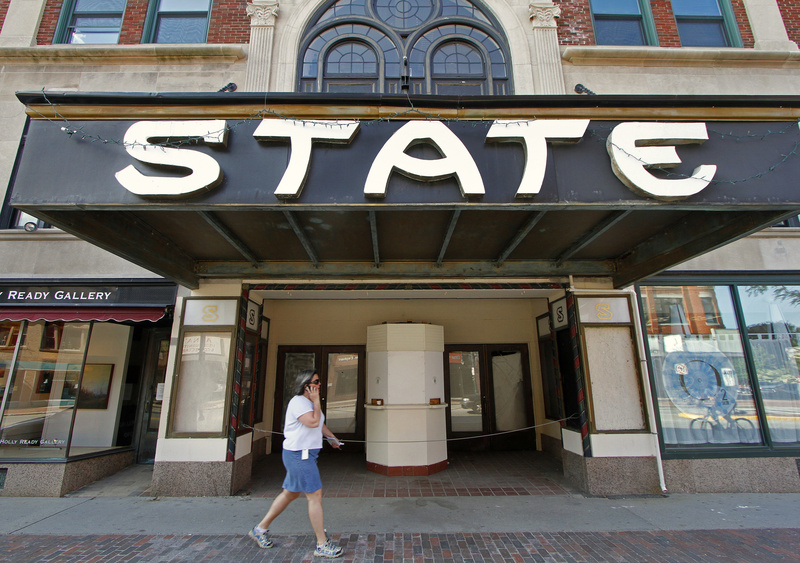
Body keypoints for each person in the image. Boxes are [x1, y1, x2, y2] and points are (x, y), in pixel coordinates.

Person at [248, 369, 344, 558]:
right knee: (315, 495)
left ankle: (259, 529)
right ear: (306, 385)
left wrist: (332, 438)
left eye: (319, 382)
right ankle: (321, 544)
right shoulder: (298, 402)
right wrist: (316, 402)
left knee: (290, 493)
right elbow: (313, 422)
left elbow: (320, 424)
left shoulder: (308, 403)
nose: (319, 385)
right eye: (316, 382)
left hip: (305, 454)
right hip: (300, 455)